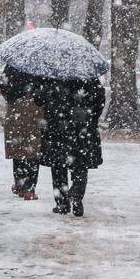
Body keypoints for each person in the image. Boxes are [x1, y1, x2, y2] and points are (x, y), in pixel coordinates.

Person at [35, 77, 105, 217]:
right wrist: (90, 118)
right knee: (80, 164)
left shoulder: (53, 76)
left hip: (57, 127)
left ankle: (62, 202)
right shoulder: (88, 75)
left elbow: (39, 99)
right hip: (81, 127)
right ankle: (77, 194)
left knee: (58, 165)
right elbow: (99, 100)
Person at [0, 65, 45, 200]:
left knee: (17, 146)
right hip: (36, 108)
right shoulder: (41, 65)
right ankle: (30, 188)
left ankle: (20, 184)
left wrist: (13, 97)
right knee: (33, 147)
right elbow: (48, 87)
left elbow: (3, 85)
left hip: (16, 108)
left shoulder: (14, 64)